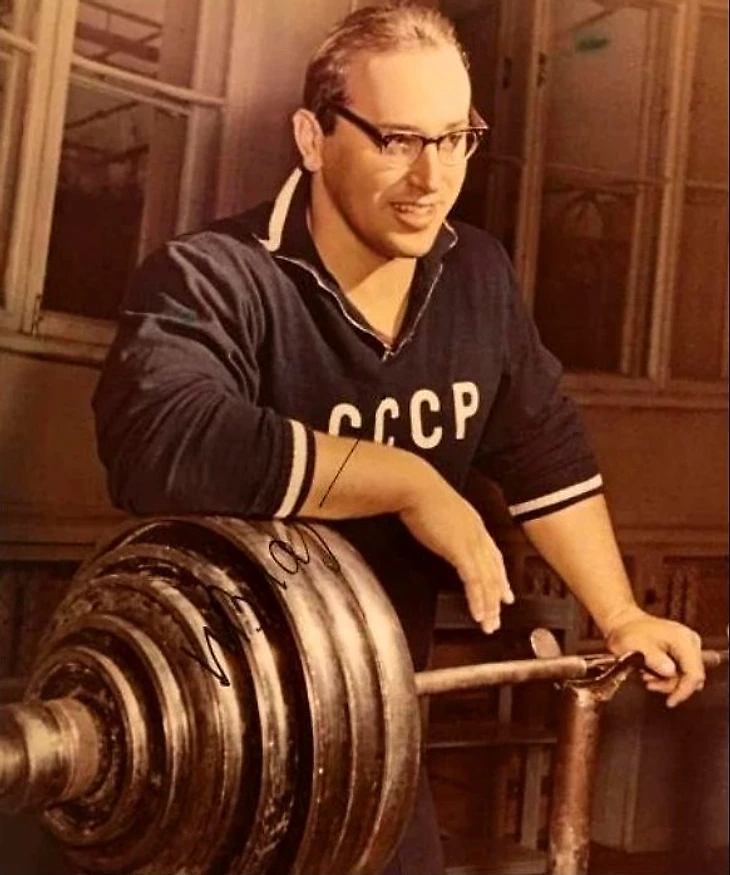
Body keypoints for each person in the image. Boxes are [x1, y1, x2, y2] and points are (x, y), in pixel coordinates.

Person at [92, 4, 706, 873]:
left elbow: (545, 452)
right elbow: (160, 440)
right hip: (213, 740)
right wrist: (406, 480)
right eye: (398, 141)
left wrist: (621, 613)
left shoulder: (477, 275)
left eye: (455, 139)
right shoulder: (212, 275)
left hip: (376, 736)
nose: (432, 177)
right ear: (313, 137)